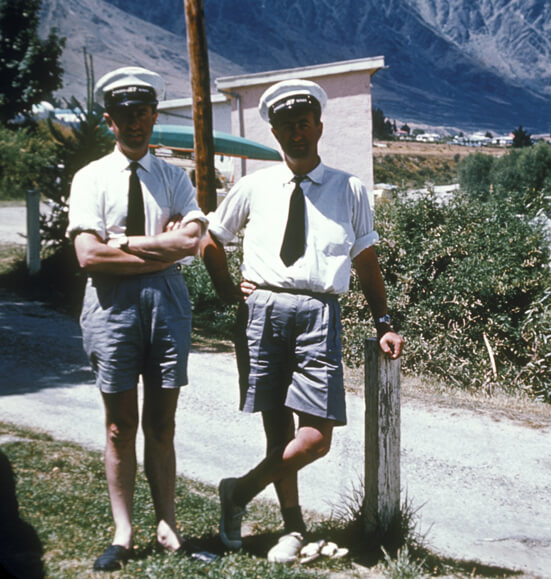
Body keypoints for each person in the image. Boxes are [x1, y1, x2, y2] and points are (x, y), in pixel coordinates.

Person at [200, 79, 404, 563]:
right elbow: (211, 240)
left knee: (315, 438)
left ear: (319, 126)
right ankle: (292, 528)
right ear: (274, 132)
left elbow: (366, 260)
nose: (297, 133)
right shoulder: (253, 186)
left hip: (319, 315)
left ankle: (238, 491)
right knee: (277, 432)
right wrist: (229, 289)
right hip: (262, 312)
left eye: (304, 123)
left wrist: (384, 321)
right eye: (287, 126)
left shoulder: (348, 188)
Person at [67, 66, 214, 570]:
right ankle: (123, 530)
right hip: (111, 307)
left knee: (163, 422)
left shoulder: (174, 177)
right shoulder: (90, 179)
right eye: (125, 115)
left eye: (144, 114)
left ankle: (168, 525)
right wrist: (163, 249)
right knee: (118, 425)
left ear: (154, 115)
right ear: (110, 120)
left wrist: (125, 242)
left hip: (166, 305)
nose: (136, 124)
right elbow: (88, 257)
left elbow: (192, 241)